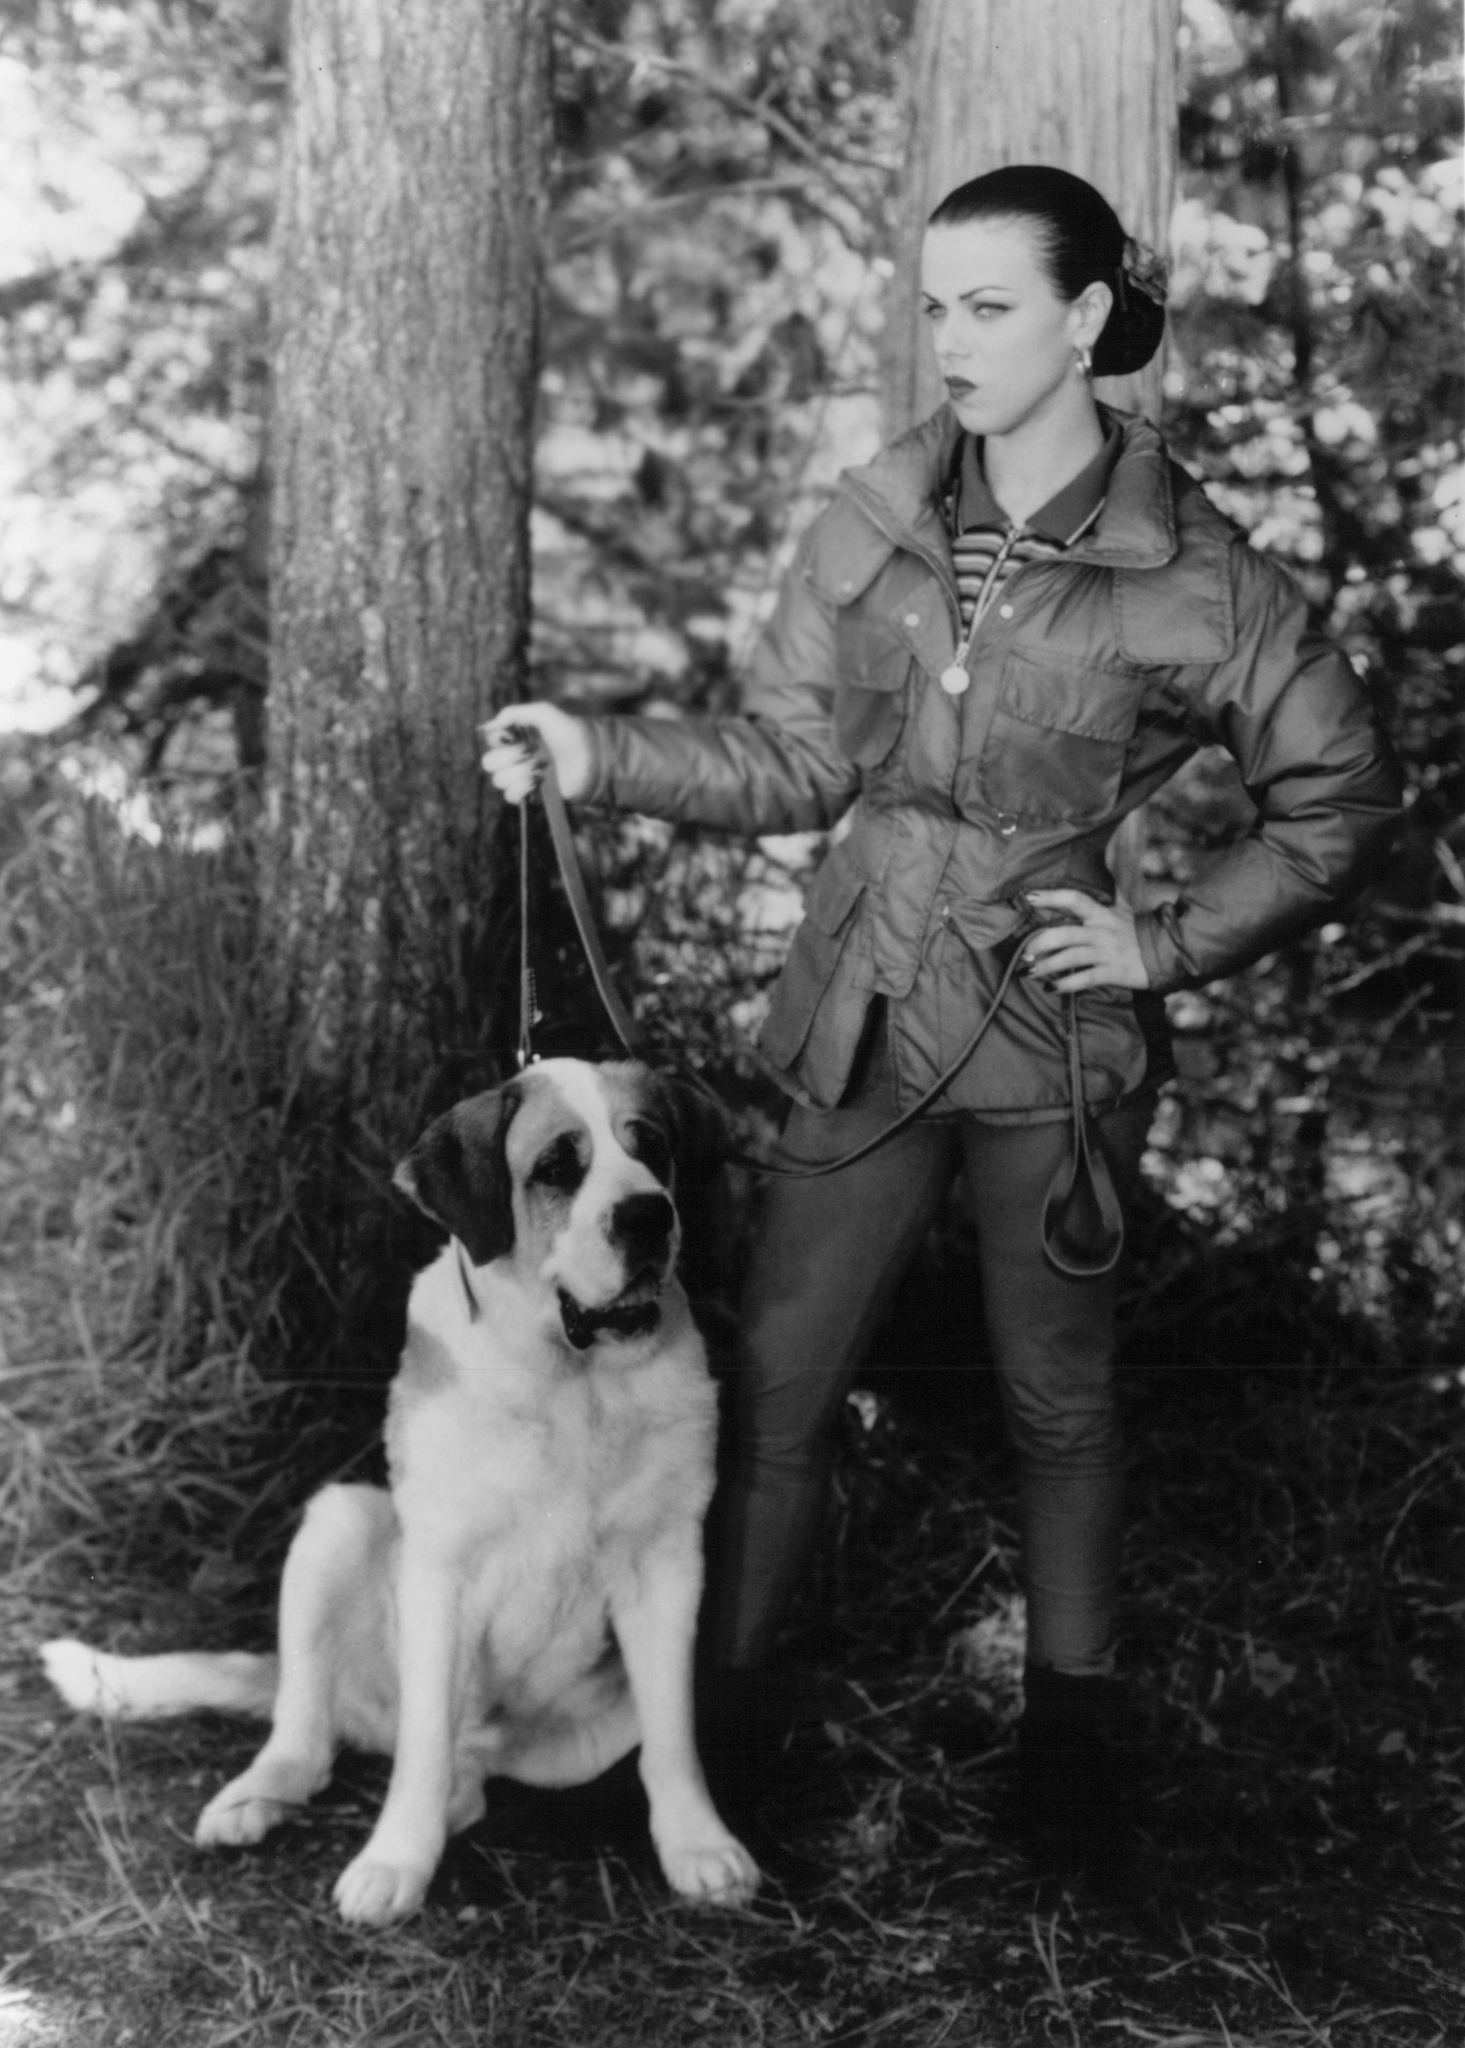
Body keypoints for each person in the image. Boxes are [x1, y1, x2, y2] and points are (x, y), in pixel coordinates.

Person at [481, 165, 1401, 1885]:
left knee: (1059, 1402)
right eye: (933, 305)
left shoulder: (1192, 577)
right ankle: (702, 1753)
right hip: (866, 1019)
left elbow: (1340, 797)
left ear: (1083, 320)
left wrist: (1161, 943)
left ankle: (1071, 1764)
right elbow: (797, 763)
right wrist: (599, 756)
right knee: (770, 1391)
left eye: (989, 305)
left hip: (1053, 1043)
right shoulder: (874, 515)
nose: (950, 340)